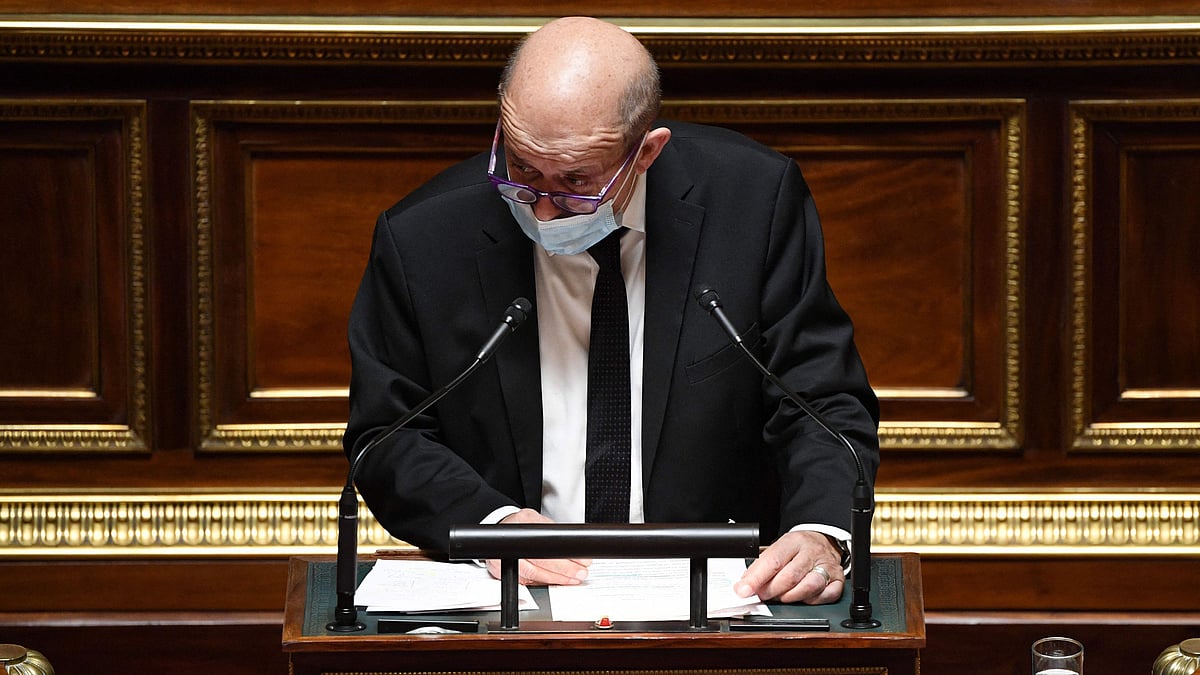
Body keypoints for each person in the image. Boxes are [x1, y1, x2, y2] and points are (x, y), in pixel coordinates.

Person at [343, 16, 879, 605]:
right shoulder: (423, 239)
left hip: (717, 593)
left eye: (575, 182)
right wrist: (492, 525)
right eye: (522, 170)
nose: (543, 211)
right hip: (514, 598)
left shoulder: (753, 204)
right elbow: (386, 434)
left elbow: (819, 398)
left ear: (646, 152)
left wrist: (821, 531)